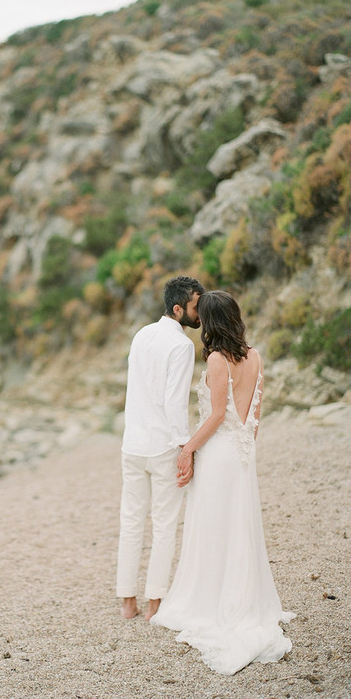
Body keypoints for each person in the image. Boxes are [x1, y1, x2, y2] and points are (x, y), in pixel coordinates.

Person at [150, 290, 295, 674]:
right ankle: (241, 597)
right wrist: (244, 448)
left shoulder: (217, 359)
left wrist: (187, 451)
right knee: (238, 528)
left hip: (218, 454)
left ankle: (212, 601)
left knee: (214, 529)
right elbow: (256, 413)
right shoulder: (255, 355)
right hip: (242, 453)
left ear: (211, 322)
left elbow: (215, 416)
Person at [116, 275, 205, 621]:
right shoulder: (181, 346)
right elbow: (174, 403)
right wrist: (185, 448)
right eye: (196, 307)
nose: (200, 313)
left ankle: (127, 603)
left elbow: (134, 389)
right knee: (165, 523)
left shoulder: (141, 335)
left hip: (132, 443)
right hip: (162, 447)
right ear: (179, 308)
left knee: (131, 519)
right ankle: (155, 604)